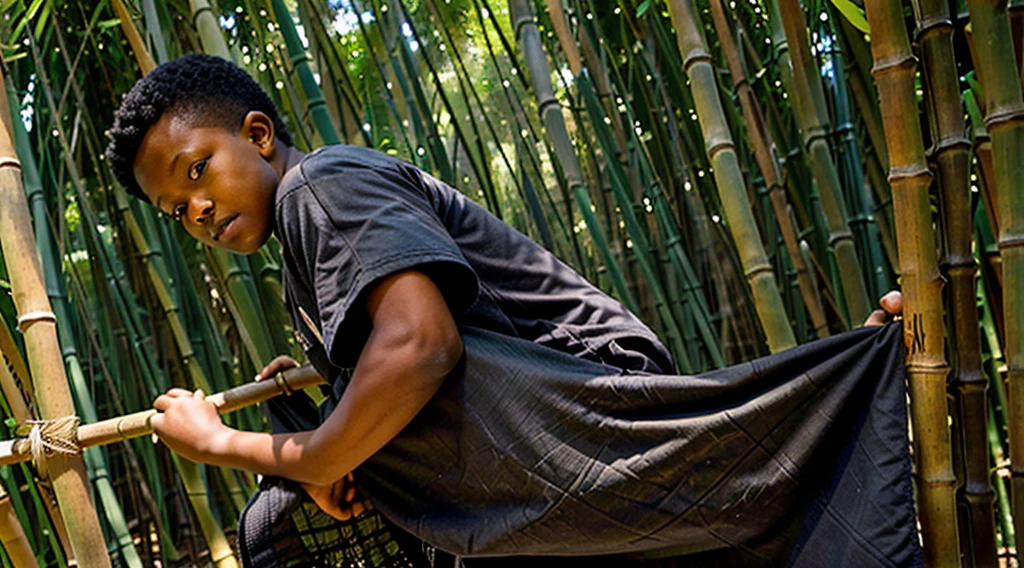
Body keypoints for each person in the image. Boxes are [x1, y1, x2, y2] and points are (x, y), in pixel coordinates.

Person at [106, 54, 908, 566]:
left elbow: (422, 347)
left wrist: (233, 444)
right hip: (547, 434)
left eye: (198, 171)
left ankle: (833, 413)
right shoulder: (299, 252)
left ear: (259, 133)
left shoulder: (323, 182)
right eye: (176, 210)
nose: (198, 210)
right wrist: (328, 395)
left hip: (582, 397)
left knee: (294, 499)